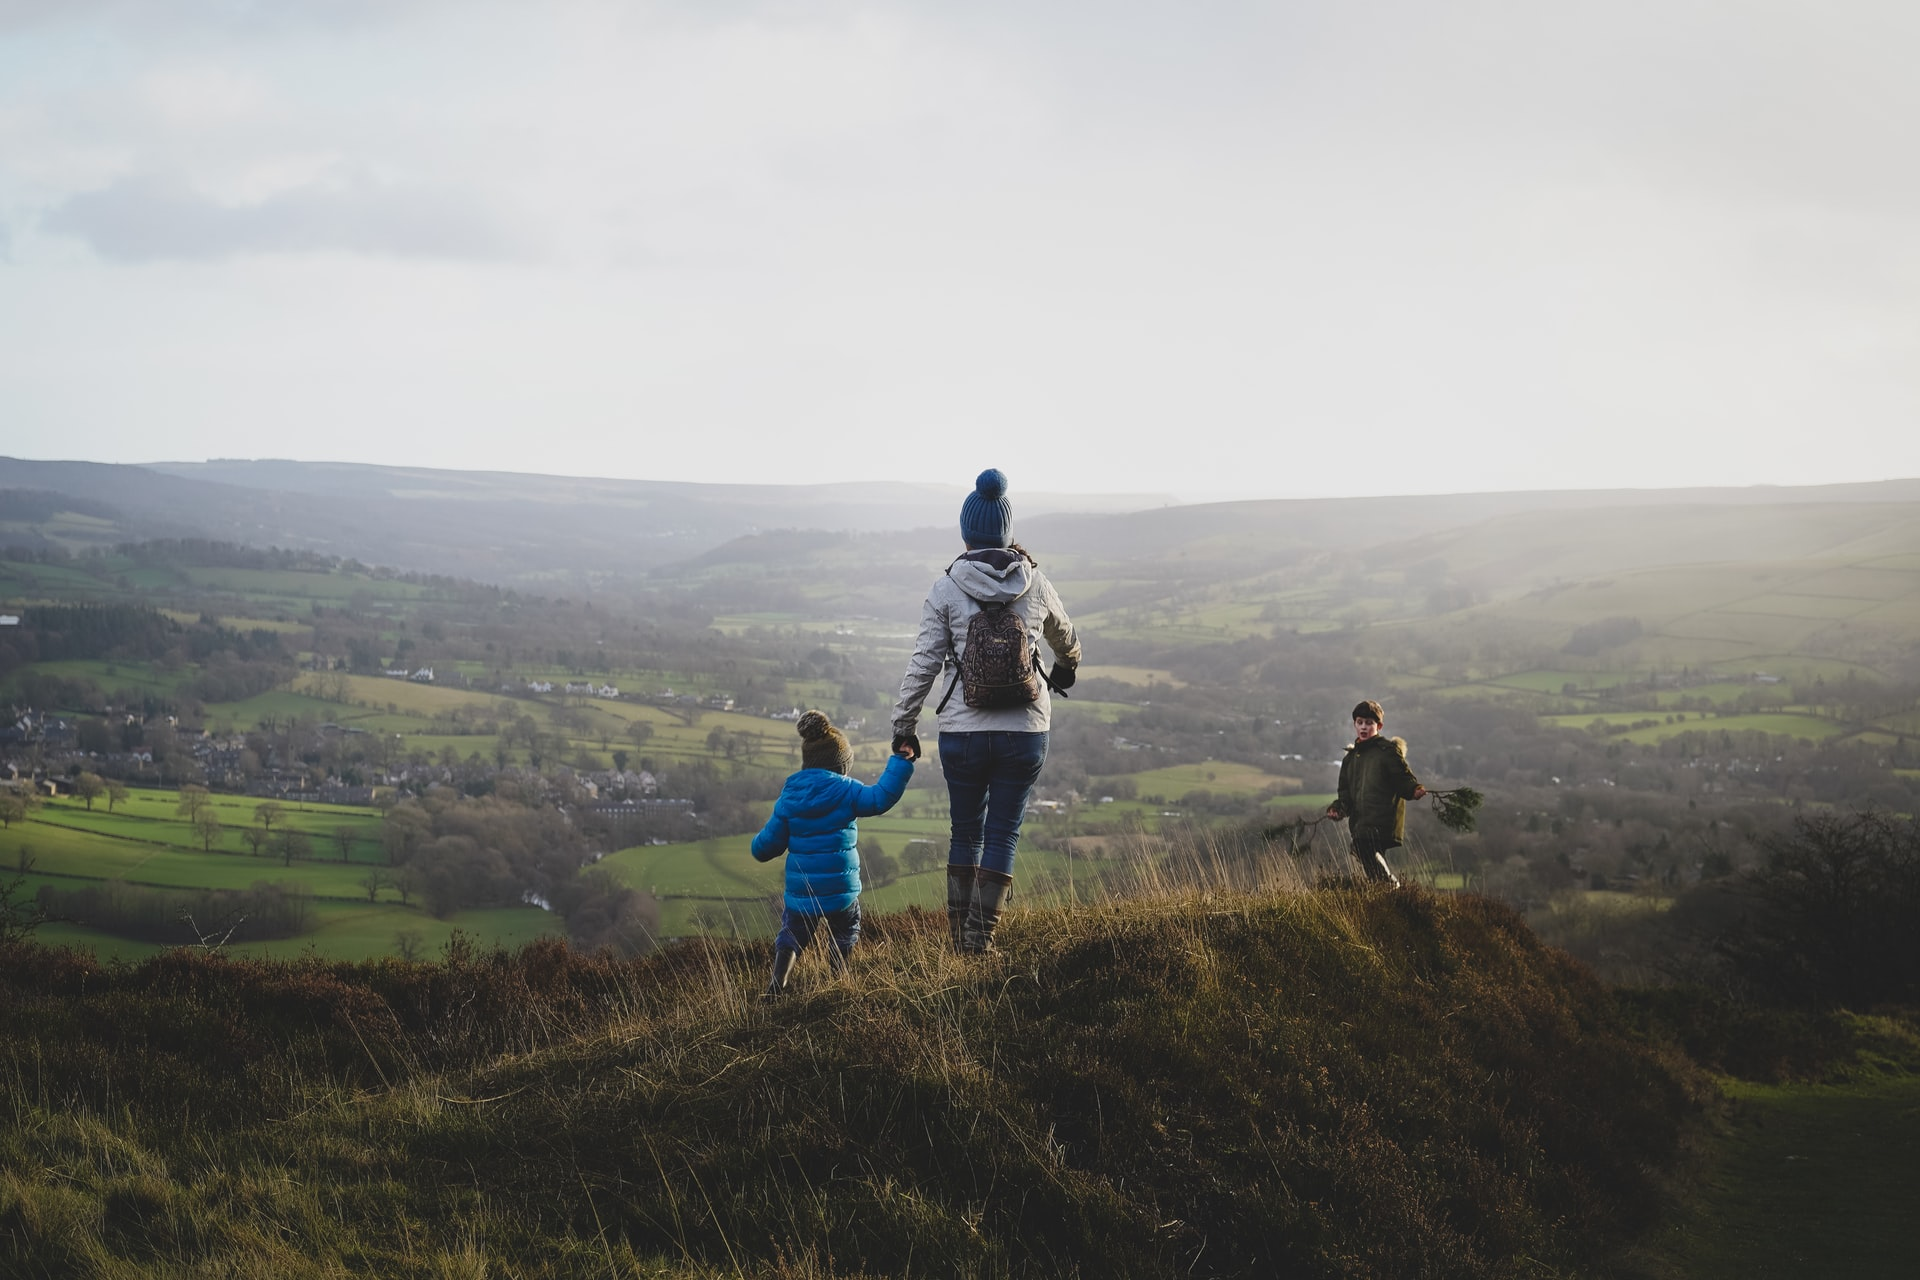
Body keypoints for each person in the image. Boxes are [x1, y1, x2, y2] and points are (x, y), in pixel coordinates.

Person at [891, 468, 1082, 953]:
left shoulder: (947, 588)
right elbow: (1067, 638)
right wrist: (1065, 670)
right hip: (1025, 732)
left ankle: (960, 943)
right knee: (1002, 834)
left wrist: (904, 725)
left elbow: (923, 665)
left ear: (966, 532)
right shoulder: (1035, 582)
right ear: (1007, 531)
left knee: (965, 832)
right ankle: (981, 941)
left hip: (963, 734)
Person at [752, 709, 914, 996]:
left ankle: (779, 982)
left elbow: (766, 847)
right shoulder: (847, 791)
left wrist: (757, 846)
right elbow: (881, 798)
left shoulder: (790, 797)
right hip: (841, 889)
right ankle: (839, 978)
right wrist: (901, 761)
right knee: (846, 928)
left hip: (803, 892)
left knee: (792, 933)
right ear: (840, 765)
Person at [1326, 699, 1425, 887]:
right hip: (1361, 820)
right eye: (1360, 722)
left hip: (1383, 818)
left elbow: (1402, 777)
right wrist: (1338, 809)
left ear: (1379, 726)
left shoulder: (1387, 751)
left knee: (1362, 847)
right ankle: (1386, 893)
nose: (1364, 727)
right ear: (1354, 724)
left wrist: (1414, 789)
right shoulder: (1350, 759)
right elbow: (1345, 793)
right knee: (1362, 851)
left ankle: (1391, 886)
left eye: (1369, 723)